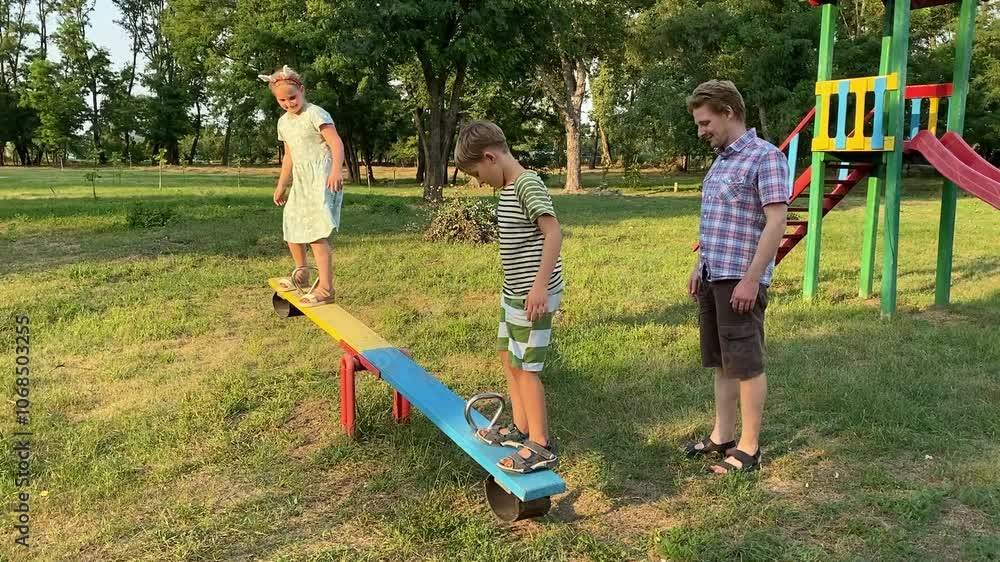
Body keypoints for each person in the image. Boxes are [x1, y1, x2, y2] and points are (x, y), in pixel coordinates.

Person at [684, 80, 788, 474]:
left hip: (740, 280)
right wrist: (700, 267)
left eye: (705, 122)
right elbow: (717, 222)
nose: (701, 131)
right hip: (714, 276)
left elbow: (777, 221)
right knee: (723, 362)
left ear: (729, 111)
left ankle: (749, 447)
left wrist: (751, 279)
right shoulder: (723, 160)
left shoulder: (766, 157)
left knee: (745, 363)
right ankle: (722, 436)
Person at [454, 120, 565, 474]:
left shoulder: (527, 185)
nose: (479, 181)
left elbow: (554, 234)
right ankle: (521, 427)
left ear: (490, 157)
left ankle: (541, 445)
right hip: (514, 293)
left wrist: (539, 287)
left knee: (527, 368)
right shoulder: (507, 188)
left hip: (533, 294)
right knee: (508, 357)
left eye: (477, 173)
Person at [259, 65, 345, 307]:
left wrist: (336, 171)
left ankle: (326, 289)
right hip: (301, 181)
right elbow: (289, 156)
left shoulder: (316, 114)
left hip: (322, 179)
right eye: (282, 100)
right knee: (292, 227)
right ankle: (302, 273)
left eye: (292, 97)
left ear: (302, 91)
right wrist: (281, 185)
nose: (288, 103)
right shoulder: (284, 123)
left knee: (316, 234)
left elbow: (336, 144)